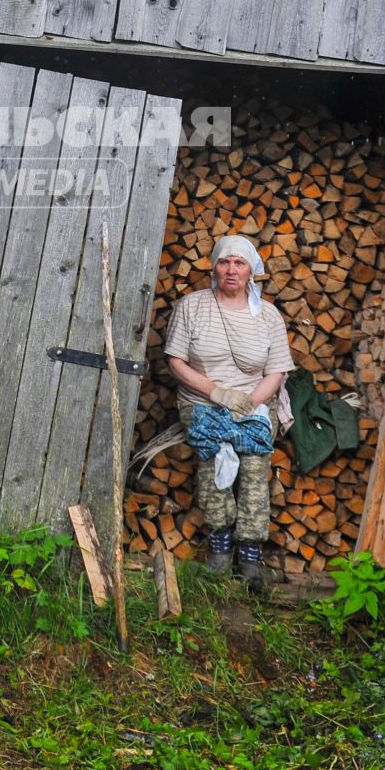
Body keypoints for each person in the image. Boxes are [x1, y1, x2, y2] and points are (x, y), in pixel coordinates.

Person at [161, 234, 293, 591]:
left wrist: (249, 403)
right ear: (214, 266)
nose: (231, 270)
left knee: (254, 465)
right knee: (214, 458)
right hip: (203, 402)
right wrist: (216, 392)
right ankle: (219, 551)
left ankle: (249, 556)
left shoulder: (267, 315)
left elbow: (277, 370)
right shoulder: (192, 306)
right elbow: (175, 362)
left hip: (254, 402)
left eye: (239, 263)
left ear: (252, 271)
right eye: (224, 262)